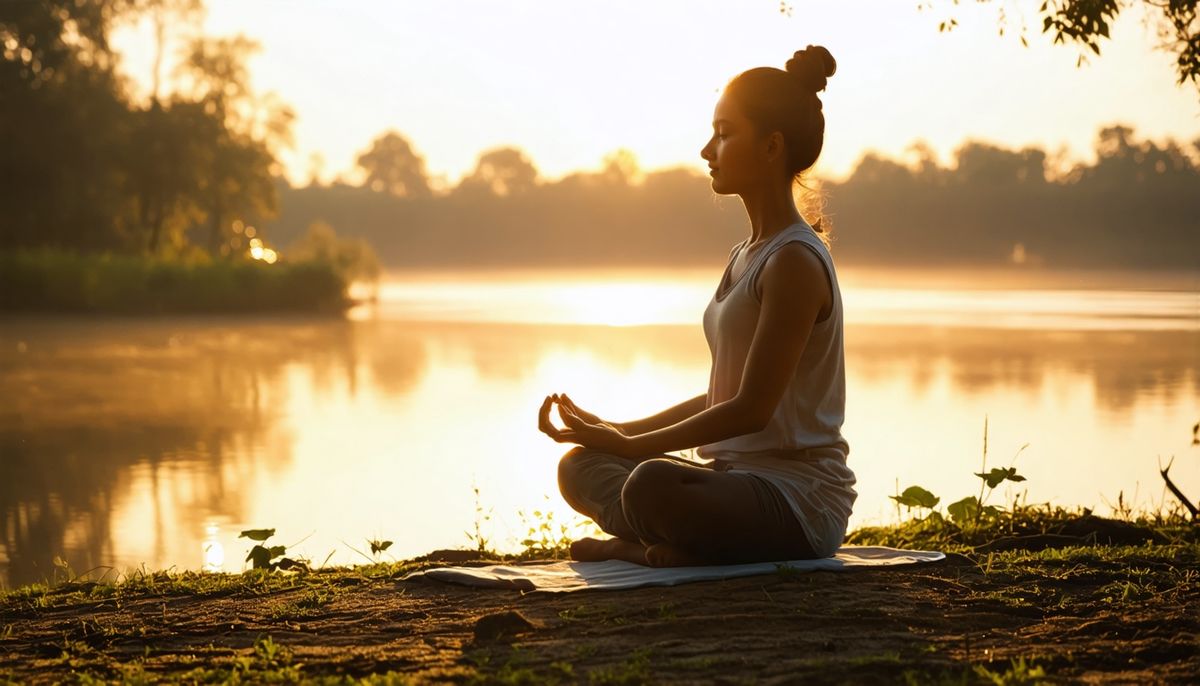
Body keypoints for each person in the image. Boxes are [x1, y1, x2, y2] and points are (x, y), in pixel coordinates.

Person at [537, 45, 856, 567]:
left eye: (724, 134)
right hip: (732, 483)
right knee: (580, 466)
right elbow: (721, 396)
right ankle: (670, 545)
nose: (708, 150)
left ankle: (635, 548)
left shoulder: (793, 261)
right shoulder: (745, 254)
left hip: (797, 500)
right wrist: (617, 432)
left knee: (651, 483)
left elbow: (751, 409)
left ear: (771, 146)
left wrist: (634, 448)